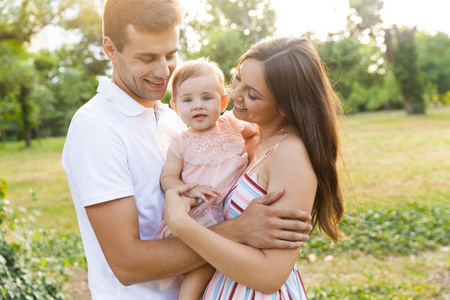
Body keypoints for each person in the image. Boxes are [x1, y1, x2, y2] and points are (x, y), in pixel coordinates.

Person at [61, 0, 313, 299]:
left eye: (170, 55)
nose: (162, 70)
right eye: (147, 57)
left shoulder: (173, 118)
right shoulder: (97, 129)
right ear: (110, 49)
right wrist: (236, 230)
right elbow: (127, 265)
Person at [163, 36, 346, 299]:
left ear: (284, 106)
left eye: (252, 94)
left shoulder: (290, 153)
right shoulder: (253, 139)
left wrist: (183, 226)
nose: (234, 94)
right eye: (238, 78)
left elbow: (270, 276)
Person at [154, 57, 257, 298]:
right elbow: (167, 177)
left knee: (228, 270)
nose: (197, 105)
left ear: (223, 102)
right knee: (201, 266)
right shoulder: (181, 143)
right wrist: (188, 189)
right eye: (188, 100)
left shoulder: (232, 124)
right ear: (176, 107)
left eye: (206, 98)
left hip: (233, 210)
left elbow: (258, 133)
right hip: (201, 214)